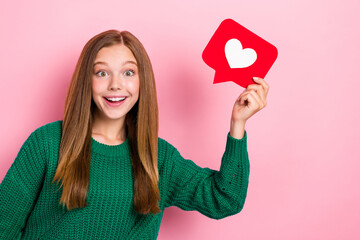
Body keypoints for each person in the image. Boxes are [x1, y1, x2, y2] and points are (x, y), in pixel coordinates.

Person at [0, 30, 269, 239]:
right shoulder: (47, 143)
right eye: (102, 72)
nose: (115, 84)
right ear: (87, 81)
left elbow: (225, 199)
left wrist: (238, 124)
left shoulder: (160, 158)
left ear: (142, 82)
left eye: (128, 72)